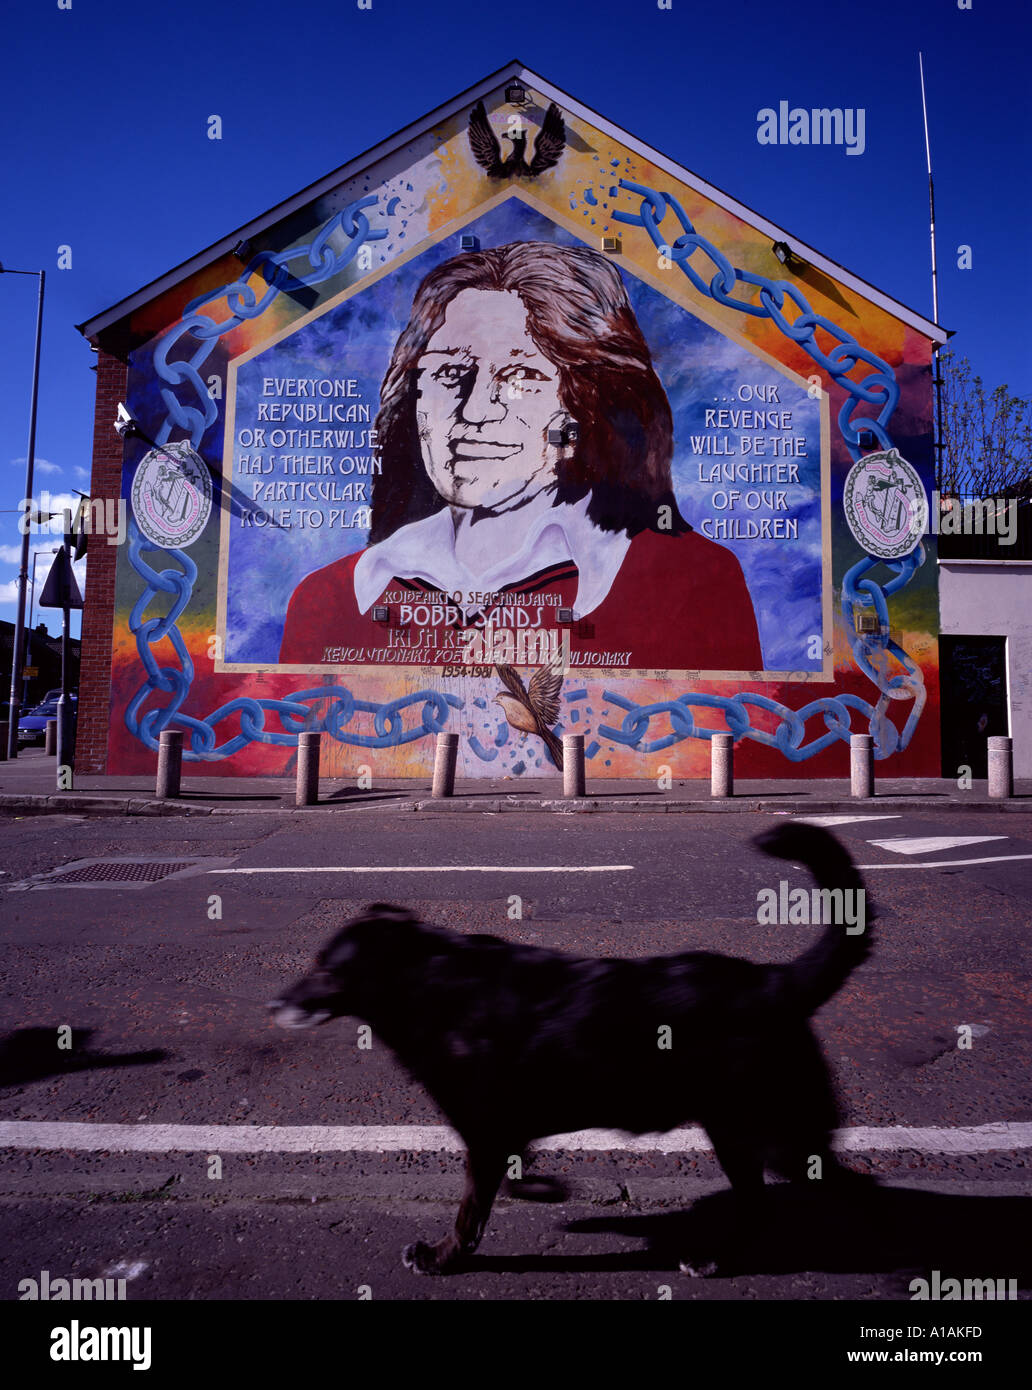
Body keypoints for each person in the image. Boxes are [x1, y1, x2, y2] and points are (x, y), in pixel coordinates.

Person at [279, 240, 762, 671]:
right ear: (413, 401)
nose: (475, 410)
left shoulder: (692, 583)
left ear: (585, 406)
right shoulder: (331, 598)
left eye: (520, 378)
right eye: (450, 374)